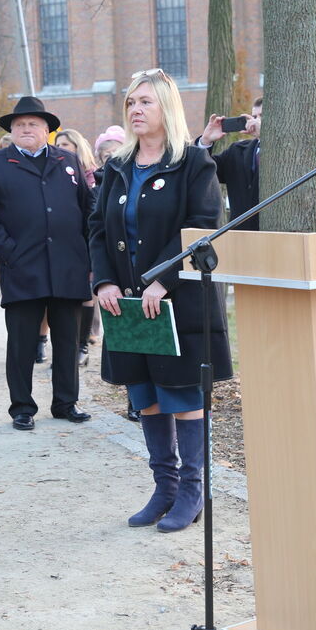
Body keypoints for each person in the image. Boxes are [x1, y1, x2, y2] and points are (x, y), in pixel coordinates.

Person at [90, 69, 232, 532]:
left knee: (182, 395)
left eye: (146, 102)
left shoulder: (194, 163)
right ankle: (165, 488)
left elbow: (203, 225)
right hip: (127, 304)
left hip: (178, 303)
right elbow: (97, 230)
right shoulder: (117, 167)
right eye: (131, 102)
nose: (135, 109)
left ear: (166, 108)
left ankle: (192, 490)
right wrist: (105, 282)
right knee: (145, 396)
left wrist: (163, 279)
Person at [0, 96, 93, 431]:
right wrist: (8, 253)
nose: (26, 129)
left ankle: (66, 402)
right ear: (11, 130)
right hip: (22, 267)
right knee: (22, 342)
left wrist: (89, 256)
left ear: (47, 130)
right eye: (20, 124)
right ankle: (22, 407)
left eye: (33, 124)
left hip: (68, 266)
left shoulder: (68, 160)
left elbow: (87, 210)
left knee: (67, 340)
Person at [54, 127, 99, 366]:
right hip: (65, 243)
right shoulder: (54, 173)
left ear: (76, 148)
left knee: (85, 294)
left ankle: (82, 346)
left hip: (88, 240)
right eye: (57, 145)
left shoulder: (92, 175)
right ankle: (66, 349)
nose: (59, 149)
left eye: (65, 145)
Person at [196, 97, 263, 230]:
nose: (257, 120)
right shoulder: (237, 151)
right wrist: (205, 142)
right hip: (239, 236)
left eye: (262, 116)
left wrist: (266, 136)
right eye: (254, 116)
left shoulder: (291, 153)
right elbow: (204, 171)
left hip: (275, 237)